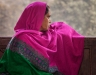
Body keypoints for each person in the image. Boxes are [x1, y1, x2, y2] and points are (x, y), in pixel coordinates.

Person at [0, 1, 84, 75]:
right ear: (38, 18)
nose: (50, 21)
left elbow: (65, 29)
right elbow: (17, 68)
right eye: (47, 17)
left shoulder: (48, 35)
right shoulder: (21, 38)